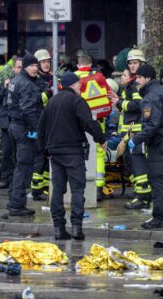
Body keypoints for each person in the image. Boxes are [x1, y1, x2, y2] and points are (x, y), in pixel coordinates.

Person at [38, 72, 106, 240]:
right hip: (73, 152)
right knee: (77, 190)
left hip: (55, 153)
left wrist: (44, 150)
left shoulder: (52, 102)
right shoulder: (77, 101)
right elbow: (89, 122)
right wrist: (101, 139)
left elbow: (41, 128)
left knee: (57, 191)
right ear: (73, 85)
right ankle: (76, 228)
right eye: (78, 85)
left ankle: (59, 229)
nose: (80, 87)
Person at [128, 64, 163, 229]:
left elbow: (151, 126)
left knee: (157, 179)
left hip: (158, 142)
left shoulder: (150, 97)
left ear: (147, 78)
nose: (137, 81)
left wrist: (135, 140)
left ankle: (159, 217)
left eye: (139, 78)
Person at [6, 54, 43, 216]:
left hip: (14, 127)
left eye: (36, 66)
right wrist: (37, 128)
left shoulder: (15, 81)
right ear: (26, 66)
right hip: (25, 130)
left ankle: (13, 201)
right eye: (32, 66)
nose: (35, 68)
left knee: (17, 166)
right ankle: (17, 205)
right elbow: (28, 109)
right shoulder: (27, 84)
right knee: (24, 167)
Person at [115, 48, 151, 209]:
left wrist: (120, 103)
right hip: (132, 133)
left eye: (135, 63)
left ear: (142, 63)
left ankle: (143, 197)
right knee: (134, 165)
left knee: (139, 165)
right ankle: (140, 194)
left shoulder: (136, 85)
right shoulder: (133, 84)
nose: (131, 66)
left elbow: (138, 106)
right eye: (130, 63)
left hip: (137, 132)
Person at [74, 55, 112, 200]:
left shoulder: (72, 77)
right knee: (99, 153)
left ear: (78, 65)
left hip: (78, 122)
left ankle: (80, 187)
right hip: (97, 121)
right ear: (90, 64)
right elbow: (108, 96)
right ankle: (98, 188)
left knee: (78, 153)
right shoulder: (98, 77)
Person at [0, 57, 22, 189]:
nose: (20, 70)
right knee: (6, 153)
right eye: (18, 67)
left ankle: (17, 180)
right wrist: (4, 87)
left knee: (20, 153)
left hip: (20, 123)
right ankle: (5, 178)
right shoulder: (7, 82)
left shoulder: (27, 83)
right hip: (6, 124)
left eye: (22, 67)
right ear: (13, 69)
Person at [30, 49, 53, 201]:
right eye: (43, 62)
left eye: (48, 61)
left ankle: (44, 186)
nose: (46, 64)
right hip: (40, 123)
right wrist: (50, 92)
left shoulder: (50, 78)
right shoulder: (36, 81)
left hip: (50, 122)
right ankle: (36, 189)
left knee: (46, 155)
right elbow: (38, 101)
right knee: (40, 156)